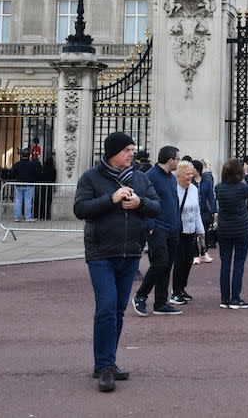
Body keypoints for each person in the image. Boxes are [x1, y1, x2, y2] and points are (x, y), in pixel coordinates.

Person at [74, 131, 161, 392]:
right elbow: (80, 209)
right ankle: (105, 366)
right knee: (106, 307)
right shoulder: (91, 177)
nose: (132, 154)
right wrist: (110, 200)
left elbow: (157, 206)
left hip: (131, 251)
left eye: (132, 149)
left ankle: (106, 362)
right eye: (127, 150)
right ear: (113, 153)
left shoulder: (141, 177)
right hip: (101, 251)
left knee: (118, 310)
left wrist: (139, 202)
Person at [132, 146, 183, 317]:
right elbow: (141, 202)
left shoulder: (172, 178)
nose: (179, 161)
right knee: (160, 263)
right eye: (177, 158)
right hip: (158, 228)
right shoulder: (149, 176)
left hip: (172, 227)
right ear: (170, 160)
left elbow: (173, 202)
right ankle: (140, 296)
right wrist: (150, 226)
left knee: (167, 266)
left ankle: (161, 303)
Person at [214, 158, 248, 308]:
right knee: (239, 263)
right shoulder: (241, 188)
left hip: (224, 228)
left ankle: (224, 298)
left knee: (225, 264)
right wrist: (247, 174)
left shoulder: (219, 187)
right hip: (241, 228)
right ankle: (235, 298)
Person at [168, 160, 204, 306]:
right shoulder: (174, 188)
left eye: (191, 173)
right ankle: (175, 292)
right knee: (180, 261)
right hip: (178, 230)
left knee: (189, 260)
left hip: (191, 230)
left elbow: (197, 211)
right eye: (188, 174)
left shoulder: (194, 188)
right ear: (180, 175)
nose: (190, 176)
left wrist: (200, 230)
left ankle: (182, 288)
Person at [11, 148, 43, 222]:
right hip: (29, 184)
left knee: (18, 201)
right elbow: (36, 174)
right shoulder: (32, 165)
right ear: (29, 156)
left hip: (19, 184)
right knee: (28, 202)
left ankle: (17, 217)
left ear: (22, 155)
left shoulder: (17, 164)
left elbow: (13, 174)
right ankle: (28, 217)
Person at [195, 159, 217, 262]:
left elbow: (211, 197)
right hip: (194, 212)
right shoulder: (190, 183)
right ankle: (195, 254)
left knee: (205, 233)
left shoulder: (206, 182)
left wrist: (214, 210)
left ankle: (204, 252)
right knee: (194, 234)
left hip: (204, 211)